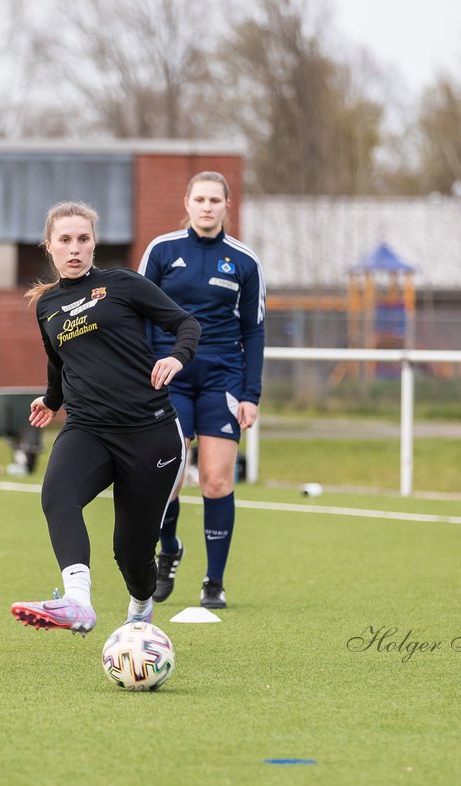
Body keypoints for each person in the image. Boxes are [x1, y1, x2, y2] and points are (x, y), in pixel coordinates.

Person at [10, 201, 200, 634]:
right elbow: (58, 359)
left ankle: (141, 607)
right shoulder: (46, 306)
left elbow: (187, 324)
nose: (74, 248)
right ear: (49, 247)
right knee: (57, 494)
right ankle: (77, 600)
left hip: (149, 431)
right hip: (88, 428)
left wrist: (176, 358)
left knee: (131, 553)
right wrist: (52, 400)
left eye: (83, 239)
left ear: (94, 244)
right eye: (65, 240)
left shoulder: (123, 285)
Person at [137, 171, 265, 609]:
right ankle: (169, 547)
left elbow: (255, 331)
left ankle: (214, 581)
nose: (207, 207)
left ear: (228, 205)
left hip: (222, 379)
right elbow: (137, 315)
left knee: (214, 480)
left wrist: (251, 393)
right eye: (200, 199)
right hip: (169, 377)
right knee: (168, 480)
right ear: (186, 202)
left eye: (215, 200)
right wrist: (141, 373)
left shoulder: (244, 261)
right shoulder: (162, 250)